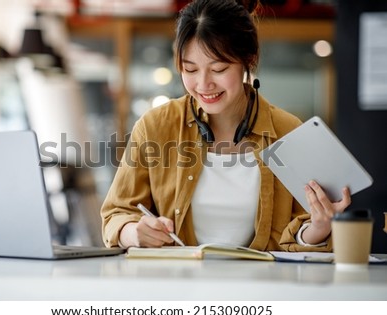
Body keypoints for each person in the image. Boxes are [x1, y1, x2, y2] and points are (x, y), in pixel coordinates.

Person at [101, 0, 351, 251]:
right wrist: (134, 233)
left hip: (265, 287)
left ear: (248, 60)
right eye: (190, 70)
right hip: (177, 284)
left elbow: (302, 227)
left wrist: (318, 228)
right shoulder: (155, 126)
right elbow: (116, 214)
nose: (203, 84)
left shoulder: (289, 131)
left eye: (218, 69)